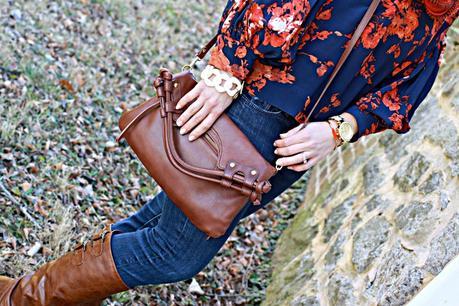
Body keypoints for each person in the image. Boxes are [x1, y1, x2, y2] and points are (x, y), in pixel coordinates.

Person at [1, 0, 457, 305]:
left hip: (303, 143)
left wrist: (339, 130)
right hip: (257, 102)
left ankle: (38, 291)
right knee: (176, 254)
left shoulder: (443, 9)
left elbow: (408, 83)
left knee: (171, 217)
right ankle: (21, 298)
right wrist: (228, 66)